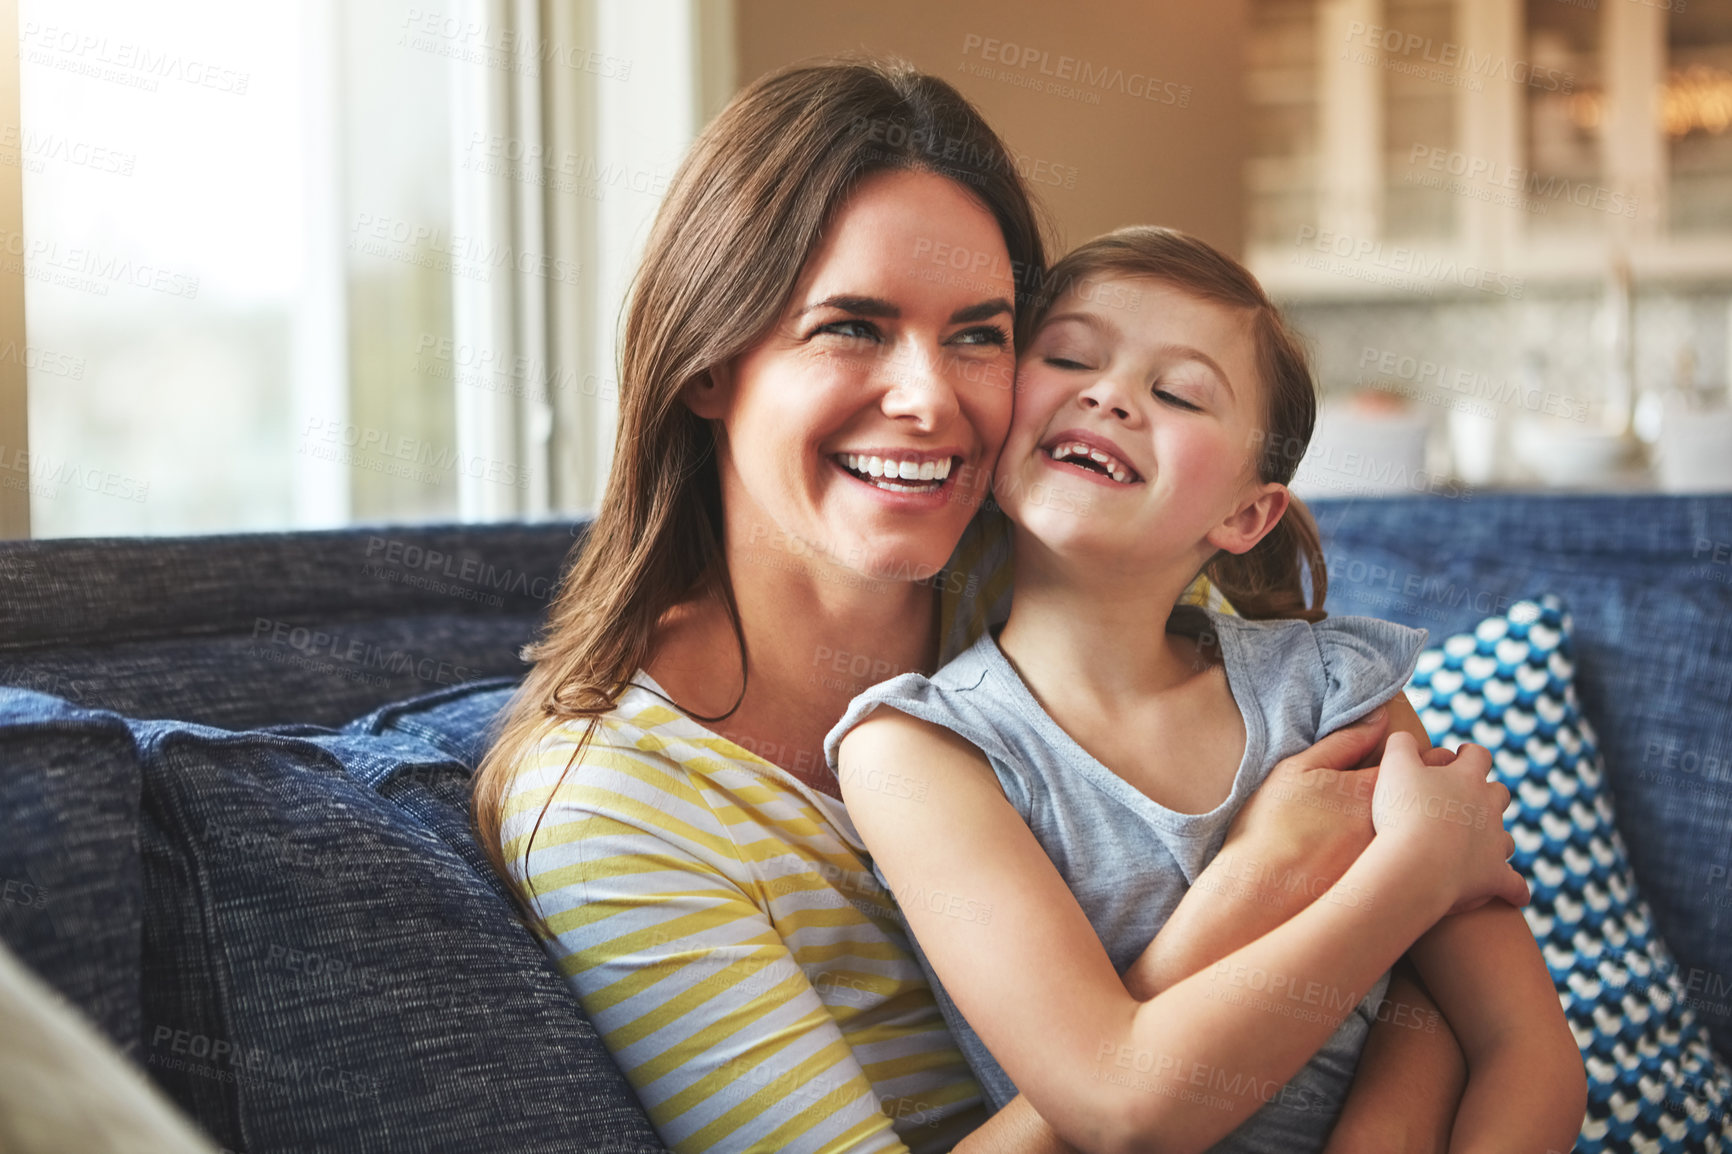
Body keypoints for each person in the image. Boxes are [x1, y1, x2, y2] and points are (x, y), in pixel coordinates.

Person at [470, 59, 1499, 1154]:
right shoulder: (609, 804)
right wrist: (1246, 893)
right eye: (852, 326)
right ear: (708, 361)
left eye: (977, 333)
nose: (930, 400)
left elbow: (1426, 981)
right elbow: (1239, 992)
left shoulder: (1060, 580)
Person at [827, 227, 1589, 1154]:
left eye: (1178, 392)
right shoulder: (918, 750)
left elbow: (1525, 1051)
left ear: (1246, 513)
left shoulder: (1334, 693)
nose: (1109, 395)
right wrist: (1416, 872)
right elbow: (1122, 1115)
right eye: (1068, 356)